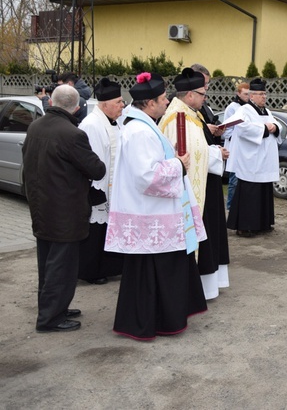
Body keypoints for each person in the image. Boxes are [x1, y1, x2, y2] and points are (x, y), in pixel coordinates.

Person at [104, 72, 207, 341]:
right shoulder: (139, 131)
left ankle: (160, 319)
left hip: (154, 213)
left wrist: (169, 155)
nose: (166, 102)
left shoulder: (145, 125)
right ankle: (154, 321)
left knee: (154, 270)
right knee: (152, 272)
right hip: (150, 214)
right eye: (163, 99)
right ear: (149, 103)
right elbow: (146, 176)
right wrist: (178, 164)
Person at [22, 85, 106, 333]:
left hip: (41, 207)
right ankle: (50, 319)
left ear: (52, 102)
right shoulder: (72, 134)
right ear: (77, 107)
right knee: (62, 266)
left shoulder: (36, 126)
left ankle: (52, 307)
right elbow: (97, 169)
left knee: (47, 263)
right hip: (64, 211)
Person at [160, 67, 230, 300]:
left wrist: (214, 151)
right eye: (202, 93)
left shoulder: (191, 114)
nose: (205, 98)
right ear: (190, 95)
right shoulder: (177, 117)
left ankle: (209, 283)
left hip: (206, 182)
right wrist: (217, 154)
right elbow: (189, 154)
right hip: (192, 188)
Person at [77, 78, 125, 285]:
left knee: (108, 228)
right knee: (96, 230)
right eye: (119, 102)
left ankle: (109, 267)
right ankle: (91, 271)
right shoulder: (92, 124)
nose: (123, 106)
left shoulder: (115, 122)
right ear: (104, 105)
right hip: (99, 187)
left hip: (113, 186)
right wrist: (97, 189)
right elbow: (93, 159)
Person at [226, 78, 281, 237]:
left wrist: (274, 127)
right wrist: (264, 128)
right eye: (261, 94)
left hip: (265, 160)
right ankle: (244, 226)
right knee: (250, 193)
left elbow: (277, 125)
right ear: (251, 96)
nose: (264, 97)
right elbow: (241, 127)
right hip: (251, 159)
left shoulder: (267, 111)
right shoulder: (244, 110)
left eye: (265, 94)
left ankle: (262, 223)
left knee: (264, 192)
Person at [222, 81, 251, 210]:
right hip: (234, 147)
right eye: (245, 94)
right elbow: (226, 131)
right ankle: (230, 206)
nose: (248, 97)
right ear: (238, 93)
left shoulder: (249, 107)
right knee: (234, 179)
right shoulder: (232, 108)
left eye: (249, 94)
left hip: (245, 148)